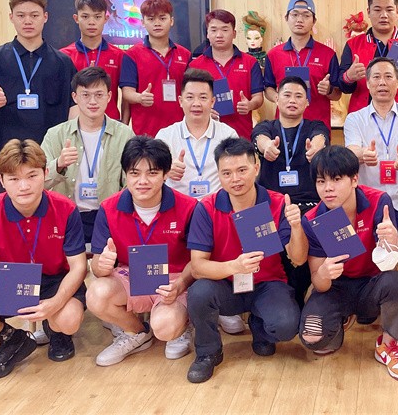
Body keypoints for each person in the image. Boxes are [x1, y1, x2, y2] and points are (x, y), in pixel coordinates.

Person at [0, 139, 86, 381]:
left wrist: (56, 302)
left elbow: (79, 266)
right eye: (13, 179)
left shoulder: (65, 209)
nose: (24, 186)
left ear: (45, 173)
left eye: (32, 176)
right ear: (1, 181)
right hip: (11, 280)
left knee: (68, 320)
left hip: (56, 280)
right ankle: (13, 340)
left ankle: (56, 331)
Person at [185, 138, 306, 383]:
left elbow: (299, 258)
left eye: (242, 170)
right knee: (199, 293)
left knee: (286, 325)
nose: (235, 179)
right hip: (225, 284)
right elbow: (197, 267)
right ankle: (208, 352)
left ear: (256, 167)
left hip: (267, 284)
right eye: (226, 173)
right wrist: (234, 266)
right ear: (218, 175)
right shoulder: (206, 208)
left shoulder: (277, 203)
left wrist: (296, 227)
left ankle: (259, 327)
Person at [298, 146, 398, 382]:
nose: (328, 188)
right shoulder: (312, 219)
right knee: (313, 339)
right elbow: (319, 283)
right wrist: (324, 272)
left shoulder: (378, 202)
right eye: (321, 181)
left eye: (336, 179)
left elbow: (391, 267)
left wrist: (392, 243)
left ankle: (389, 345)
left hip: (372, 283)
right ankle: (340, 320)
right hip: (336, 288)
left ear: (354, 179)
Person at [87, 136, 197, 366]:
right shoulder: (108, 208)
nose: (142, 181)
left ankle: (183, 326)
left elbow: (197, 261)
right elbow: (97, 266)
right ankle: (136, 332)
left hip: (174, 280)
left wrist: (179, 285)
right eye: (135, 173)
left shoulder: (189, 208)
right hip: (130, 276)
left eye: (152, 173)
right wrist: (102, 265)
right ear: (125, 174)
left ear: (166, 174)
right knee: (96, 293)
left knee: (165, 327)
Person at [0, 0, 77, 195]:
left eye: (34, 15)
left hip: (49, 156)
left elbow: (73, 105)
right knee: (3, 211)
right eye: (21, 15)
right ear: (11, 17)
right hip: (4, 154)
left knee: (50, 209)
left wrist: (70, 142)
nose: (27, 21)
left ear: (45, 17)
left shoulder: (62, 62)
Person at [252, 76, 329, 308]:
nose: (292, 100)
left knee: (318, 235)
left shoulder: (314, 127)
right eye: (287, 95)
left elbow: (321, 137)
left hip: (309, 205)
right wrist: (266, 146)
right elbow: (259, 138)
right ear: (276, 99)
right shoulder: (267, 127)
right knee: (261, 251)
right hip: (269, 206)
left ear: (307, 102)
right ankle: (266, 303)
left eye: (298, 96)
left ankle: (315, 298)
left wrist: (317, 148)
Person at [41, 67, 135, 246]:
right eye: (85, 95)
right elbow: (39, 181)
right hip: (68, 217)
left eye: (99, 95)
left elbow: (131, 182)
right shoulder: (56, 135)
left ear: (109, 96)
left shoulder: (125, 135)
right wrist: (58, 164)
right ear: (75, 97)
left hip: (109, 216)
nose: (92, 101)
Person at [344, 57, 398, 226]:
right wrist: (363, 154)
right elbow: (351, 151)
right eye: (376, 77)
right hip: (369, 202)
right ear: (368, 84)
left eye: (388, 77)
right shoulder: (354, 119)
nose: (382, 82)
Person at [155, 69, 239, 198]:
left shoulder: (228, 135)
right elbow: (153, 176)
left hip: (216, 205)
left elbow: (238, 174)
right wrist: (165, 171)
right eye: (190, 97)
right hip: (178, 205)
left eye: (203, 97)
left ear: (212, 102)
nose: (196, 103)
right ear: (180, 101)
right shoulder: (165, 136)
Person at [263, 0, 341, 129]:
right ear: (286, 18)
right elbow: (268, 88)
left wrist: (328, 90)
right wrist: (278, 97)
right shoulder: (273, 54)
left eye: (306, 15)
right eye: (294, 14)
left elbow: (337, 95)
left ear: (314, 21)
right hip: (283, 127)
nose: (300, 20)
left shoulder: (328, 54)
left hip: (317, 127)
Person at [120, 0, 191, 137]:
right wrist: (140, 98)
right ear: (142, 22)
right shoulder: (132, 55)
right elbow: (127, 93)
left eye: (162, 18)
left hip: (180, 131)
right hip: (145, 132)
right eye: (151, 19)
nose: (157, 23)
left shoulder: (185, 54)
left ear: (171, 21)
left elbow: (191, 90)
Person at [188, 9, 264, 140]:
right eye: (213, 30)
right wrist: (203, 109)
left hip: (241, 135)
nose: (219, 35)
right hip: (205, 135)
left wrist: (250, 105)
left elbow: (258, 97)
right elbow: (189, 99)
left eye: (224, 29)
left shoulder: (250, 62)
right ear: (207, 34)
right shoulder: (195, 65)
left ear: (234, 33)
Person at [60, 0, 125, 120]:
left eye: (97, 17)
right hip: (76, 125)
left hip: (111, 124)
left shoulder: (119, 55)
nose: (91, 22)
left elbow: (126, 95)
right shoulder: (64, 56)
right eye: (85, 16)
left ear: (106, 19)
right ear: (76, 18)